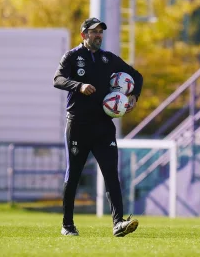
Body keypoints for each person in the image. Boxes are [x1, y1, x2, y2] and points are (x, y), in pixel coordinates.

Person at [53, 17, 143, 237]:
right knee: (73, 174)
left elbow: (137, 77)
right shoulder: (73, 57)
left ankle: (118, 223)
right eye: (94, 32)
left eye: (101, 32)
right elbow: (57, 79)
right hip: (78, 124)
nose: (98, 35)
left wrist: (133, 96)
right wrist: (79, 86)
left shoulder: (107, 59)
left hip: (103, 126)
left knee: (111, 174)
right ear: (84, 35)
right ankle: (67, 225)